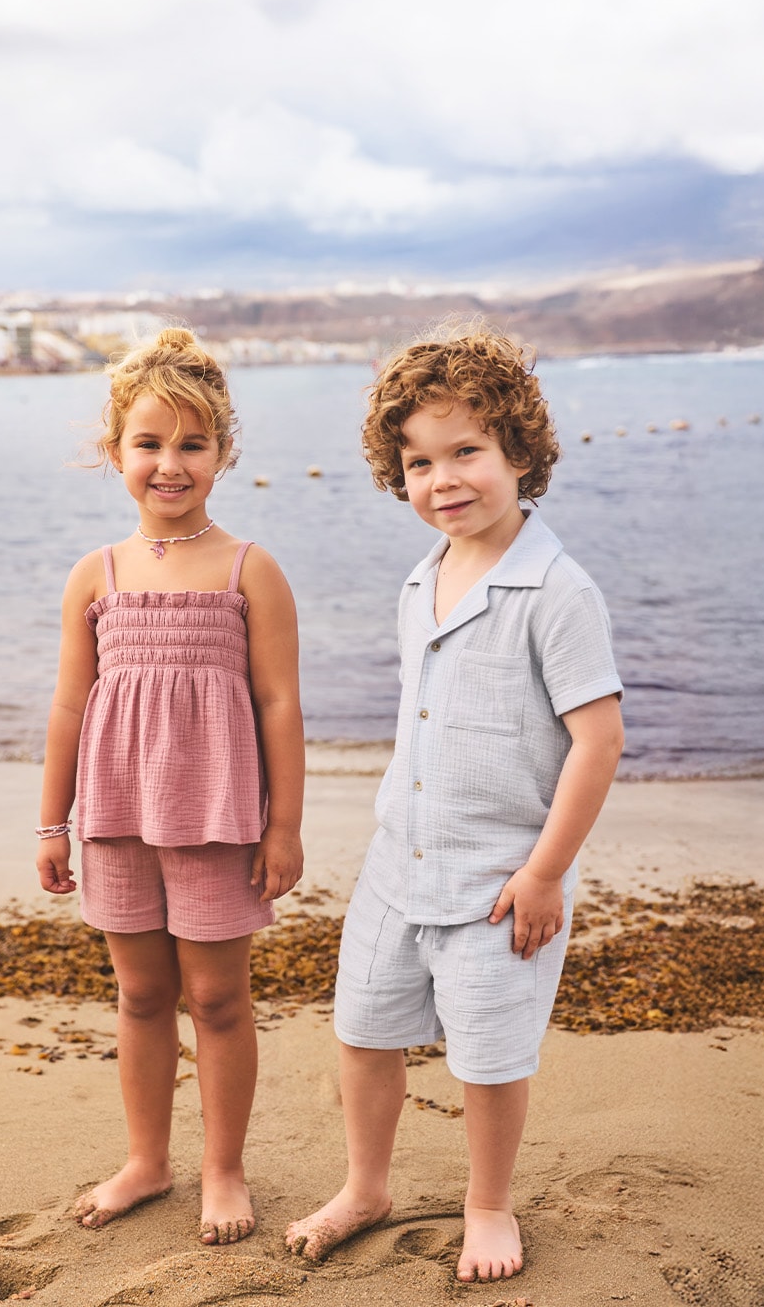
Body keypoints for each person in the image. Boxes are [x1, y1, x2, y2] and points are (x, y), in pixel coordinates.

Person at [284, 322, 624, 1283]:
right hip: (398, 865)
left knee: (489, 1059)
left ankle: (488, 1205)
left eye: (466, 451)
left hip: (501, 882)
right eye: (420, 463)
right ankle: (366, 1187)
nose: (444, 480)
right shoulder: (421, 577)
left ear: (518, 450)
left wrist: (546, 874)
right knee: (364, 1032)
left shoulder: (557, 590)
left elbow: (599, 742)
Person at [36, 328, 305, 1246]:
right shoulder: (95, 575)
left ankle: (223, 1168)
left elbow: (279, 705)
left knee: (219, 1000)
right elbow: (70, 706)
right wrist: (51, 824)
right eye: (148, 443)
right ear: (115, 453)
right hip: (116, 818)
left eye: (193, 444)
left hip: (218, 820)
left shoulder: (249, 569)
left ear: (223, 453)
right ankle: (147, 1160)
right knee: (142, 996)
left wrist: (284, 827)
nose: (169, 464)